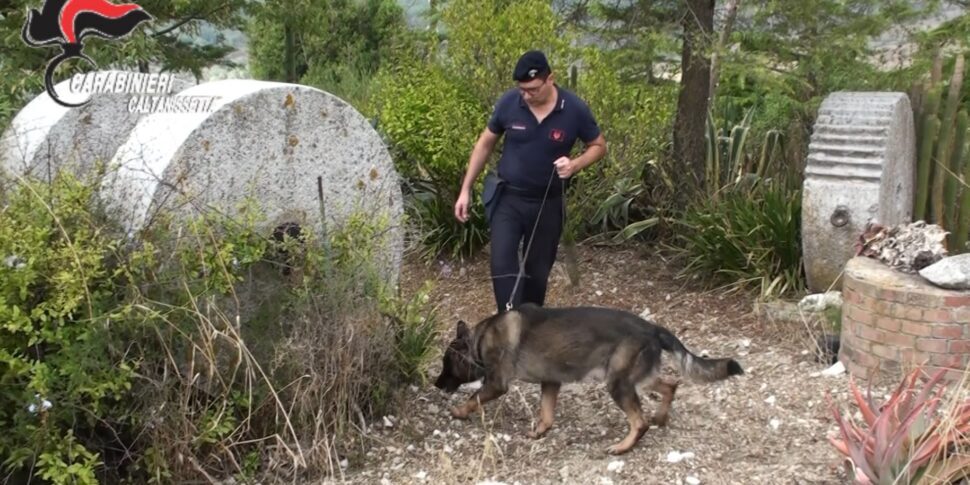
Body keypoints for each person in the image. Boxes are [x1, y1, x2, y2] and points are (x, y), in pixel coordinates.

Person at [453, 50, 607, 314]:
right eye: (522, 89)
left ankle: (531, 333)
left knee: (537, 273)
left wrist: (574, 164)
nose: (526, 95)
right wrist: (465, 189)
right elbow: (485, 143)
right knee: (502, 267)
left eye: (533, 89)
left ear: (550, 79)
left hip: (547, 203)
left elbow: (598, 145)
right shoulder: (509, 103)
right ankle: (509, 325)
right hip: (509, 199)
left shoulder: (574, 109)